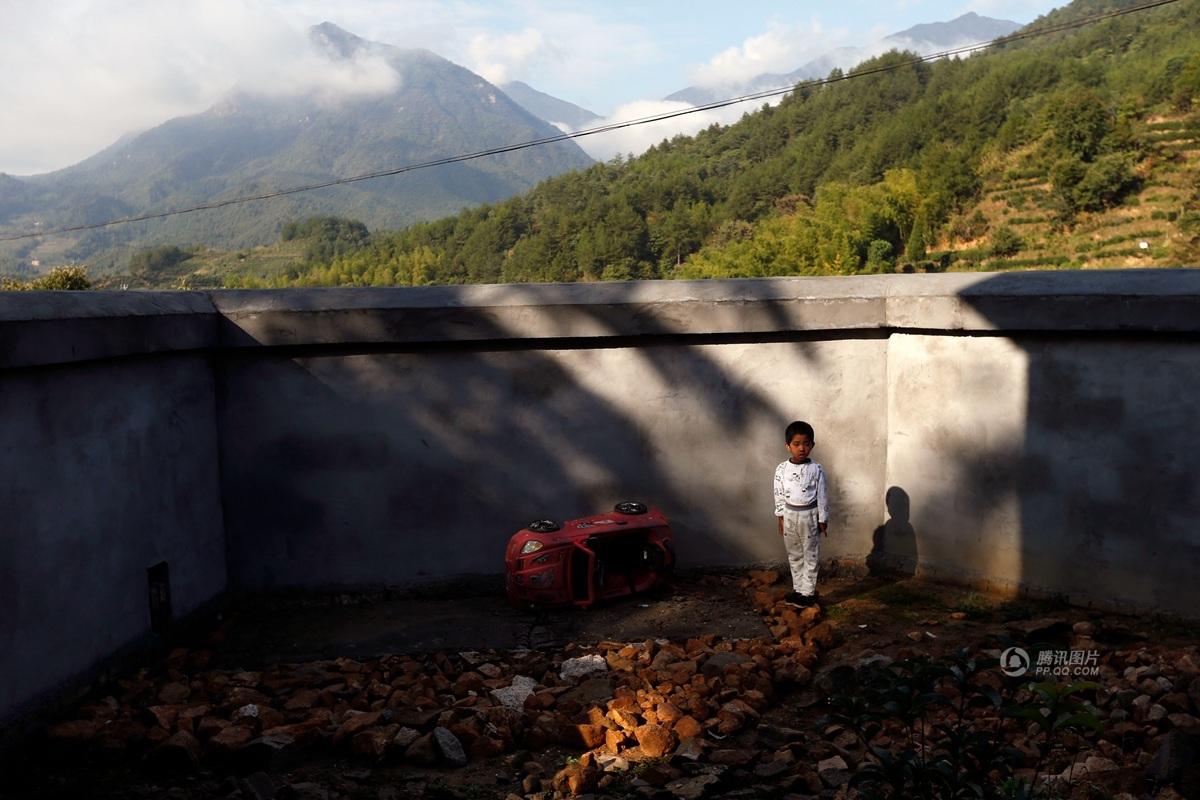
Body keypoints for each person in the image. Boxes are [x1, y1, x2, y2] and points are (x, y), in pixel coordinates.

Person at [773, 420, 829, 607]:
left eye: (806, 443)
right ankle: (798, 589)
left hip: (809, 517)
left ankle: (808, 593)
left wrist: (823, 518)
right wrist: (781, 516)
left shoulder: (816, 469)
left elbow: (822, 495)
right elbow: (779, 493)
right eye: (796, 444)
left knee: (810, 554)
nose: (802, 448)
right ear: (787, 446)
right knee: (794, 554)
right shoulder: (782, 469)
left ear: (812, 445)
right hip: (789, 516)